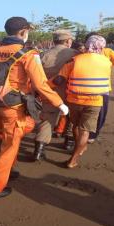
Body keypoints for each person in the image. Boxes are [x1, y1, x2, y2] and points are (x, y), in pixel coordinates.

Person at [0, 17, 68, 200]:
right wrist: (58, 103)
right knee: (10, 144)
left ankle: (9, 171)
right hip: (11, 104)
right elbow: (40, 84)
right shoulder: (28, 53)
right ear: (23, 32)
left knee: (11, 137)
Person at [52, 35, 112, 168]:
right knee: (85, 130)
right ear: (102, 47)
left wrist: (44, 87)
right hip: (95, 101)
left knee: (75, 126)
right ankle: (74, 159)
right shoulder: (107, 62)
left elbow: (59, 80)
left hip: (74, 100)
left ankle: (78, 148)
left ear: (87, 45)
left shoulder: (74, 60)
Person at [32, 30, 78, 161]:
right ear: (68, 41)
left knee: (47, 120)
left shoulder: (44, 54)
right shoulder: (75, 54)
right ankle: (68, 143)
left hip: (48, 91)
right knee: (72, 118)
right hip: (70, 92)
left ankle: (39, 151)